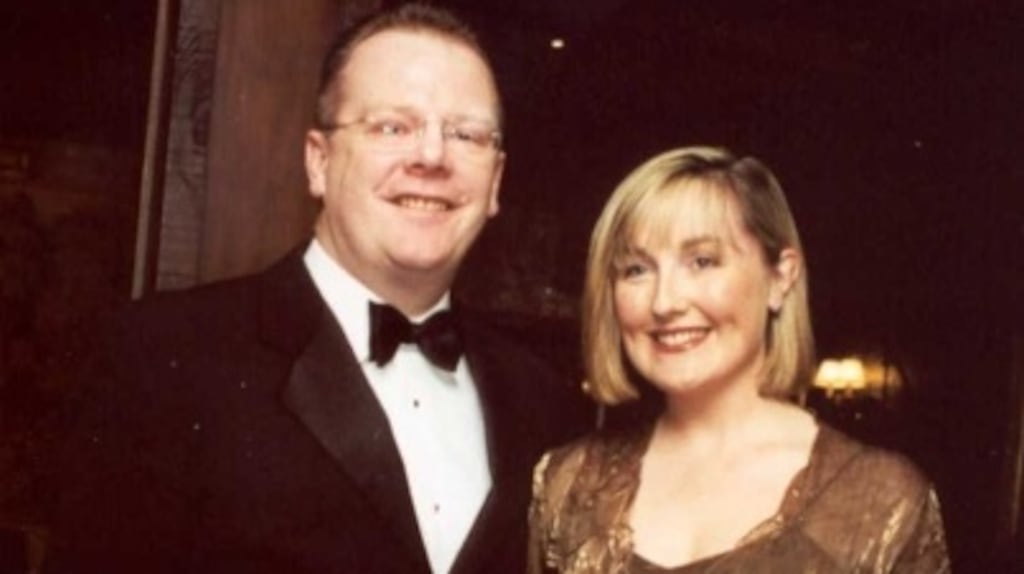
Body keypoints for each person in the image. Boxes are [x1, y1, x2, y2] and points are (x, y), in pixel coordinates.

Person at [44, 4, 587, 573]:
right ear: (319, 162)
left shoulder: (546, 407)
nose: (431, 155)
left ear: (495, 181)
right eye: (391, 127)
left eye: (466, 135)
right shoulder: (161, 358)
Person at [527, 146, 950, 573]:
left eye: (703, 262)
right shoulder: (568, 483)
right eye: (636, 270)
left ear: (780, 277)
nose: (665, 301)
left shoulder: (878, 500)